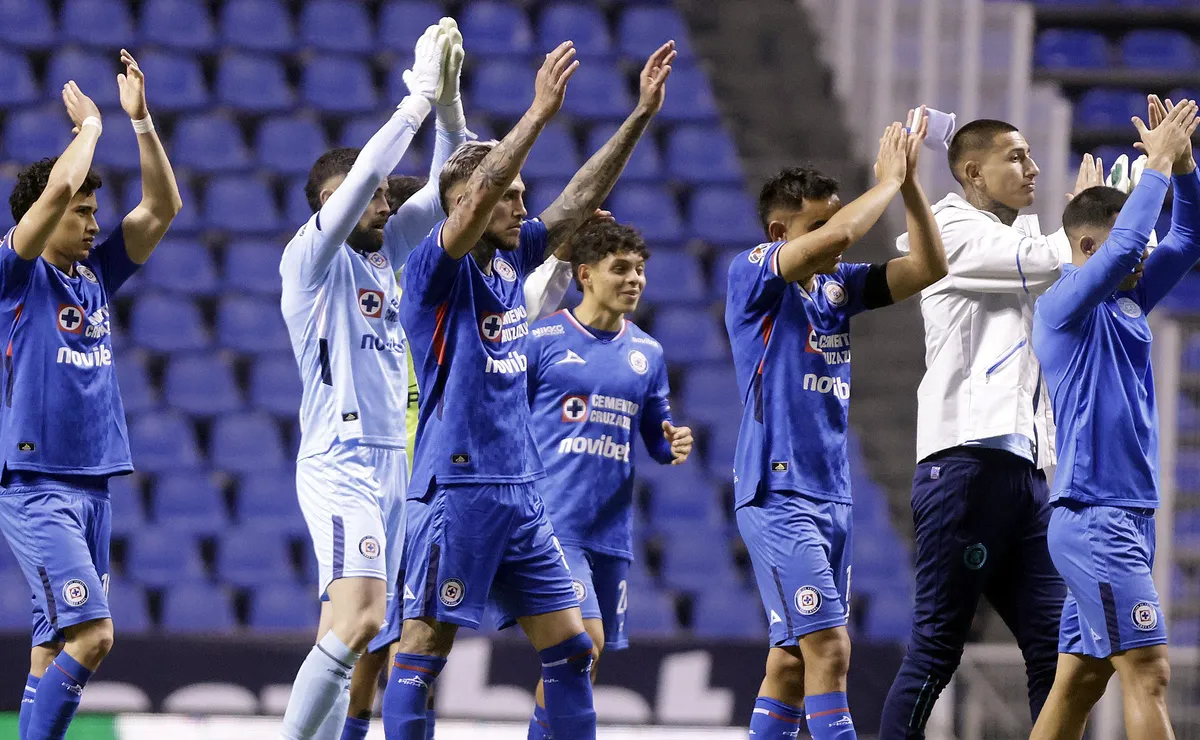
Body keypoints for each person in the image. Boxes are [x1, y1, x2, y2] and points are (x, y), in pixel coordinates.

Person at [383, 39, 674, 740]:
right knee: (424, 652)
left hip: (522, 492)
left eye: (519, 196)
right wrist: (538, 113)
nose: (521, 204)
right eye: (508, 196)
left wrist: (639, 115)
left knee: (571, 651)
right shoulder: (433, 272)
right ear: (462, 207)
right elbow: (484, 187)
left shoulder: (513, 256)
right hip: (456, 492)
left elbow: (578, 199)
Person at [878, 113, 1106, 738]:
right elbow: (1047, 259)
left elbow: (1078, 279)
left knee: (1060, 657)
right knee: (936, 652)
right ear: (974, 172)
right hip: (967, 463)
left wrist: (1084, 235)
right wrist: (1093, 218)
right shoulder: (950, 228)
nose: (1033, 169)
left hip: (1029, 475)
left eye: (1032, 157)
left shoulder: (1024, 244)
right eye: (1018, 156)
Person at [724, 109, 946, 740]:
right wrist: (881, 182)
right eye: (815, 224)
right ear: (779, 230)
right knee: (831, 650)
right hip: (778, 491)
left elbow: (929, 267)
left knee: (791, 663)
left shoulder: (835, 290)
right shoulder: (753, 272)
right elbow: (840, 236)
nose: (835, 238)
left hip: (831, 494)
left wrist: (907, 186)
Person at [277, 21, 470, 740]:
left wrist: (450, 112)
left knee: (355, 632)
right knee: (359, 619)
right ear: (324, 210)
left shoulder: (389, 249)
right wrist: (417, 103)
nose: (380, 203)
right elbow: (360, 179)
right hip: (342, 463)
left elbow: (453, 191)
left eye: (385, 196)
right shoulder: (309, 263)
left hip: (397, 462)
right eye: (363, 197)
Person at [0, 52, 182, 740]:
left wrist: (140, 123)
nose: (93, 222)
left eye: (94, 212)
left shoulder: (96, 275)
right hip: (37, 485)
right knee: (95, 636)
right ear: (46, 220)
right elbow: (54, 192)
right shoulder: (16, 273)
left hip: (93, 487)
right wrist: (92, 128)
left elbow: (164, 207)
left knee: (50, 648)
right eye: (82, 213)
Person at [1030, 96, 1200, 740]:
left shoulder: (1127, 297)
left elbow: (1189, 237)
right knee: (1149, 669)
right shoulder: (1062, 308)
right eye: (1125, 249)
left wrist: (1182, 167)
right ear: (1085, 247)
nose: (1139, 259)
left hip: (1126, 512)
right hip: (1096, 515)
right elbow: (1131, 237)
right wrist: (1153, 165)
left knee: (1080, 681)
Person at [496, 220, 694, 739]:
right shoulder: (542, 339)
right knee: (584, 641)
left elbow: (654, 433)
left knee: (578, 665)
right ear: (585, 274)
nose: (635, 280)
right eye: (621, 269)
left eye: (640, 270)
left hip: (609, 532)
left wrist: (669, 443)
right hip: (550, 523)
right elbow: (503, 416)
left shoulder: (647, 353)